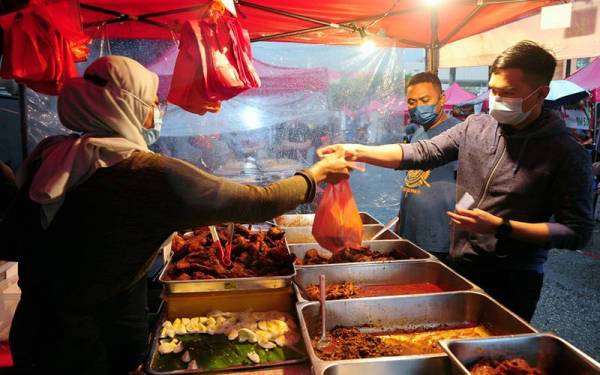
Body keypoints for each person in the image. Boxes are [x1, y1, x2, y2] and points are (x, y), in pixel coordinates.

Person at [1, 56, 350, 375]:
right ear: (129, 106)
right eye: (154, 103)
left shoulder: (51, 157)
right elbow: (257, 202)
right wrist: (316, 172)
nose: (158, 112)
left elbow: (16, 241)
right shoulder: (144, 172)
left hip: (34, 328)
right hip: (90, 343)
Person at [318, 40, 593, 322]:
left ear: (540, 93)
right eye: (492, 89)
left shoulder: (566, 154)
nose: (496, 98)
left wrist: (502, 227)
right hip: (459, 263)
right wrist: (356, 150)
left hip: (514, 278)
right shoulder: (477, 127)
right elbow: (422, 152)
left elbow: (576, 231)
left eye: (507, 92)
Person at [396, 72, 460, 262]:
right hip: (411, 234)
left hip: (440, 241)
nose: (418, 107)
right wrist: (401, 218)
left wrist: (457, 226)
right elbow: (411, 177)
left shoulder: (458, 133)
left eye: (425, 100)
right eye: (412, 102)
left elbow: (473, 190)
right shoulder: (418, 133)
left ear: (442, 99)